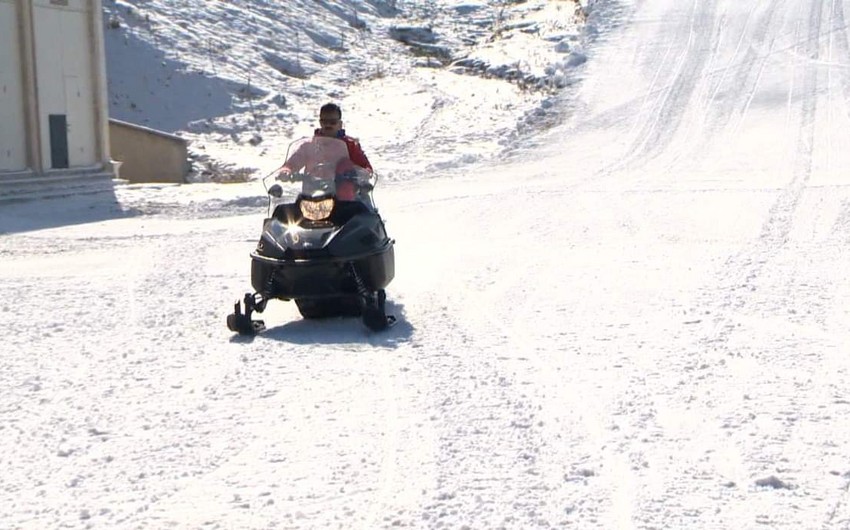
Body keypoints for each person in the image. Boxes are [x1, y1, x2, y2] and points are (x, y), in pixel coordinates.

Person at [278, 102, 373, 180]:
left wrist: (364, 173)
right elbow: (292, 163)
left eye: (332, 122)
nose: (328, 125)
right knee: (288, 204)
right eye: (324, 121)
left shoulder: (350, 145)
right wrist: (286, 171)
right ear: (320, 122)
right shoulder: (309, 146)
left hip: (346, 197)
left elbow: (365, 166)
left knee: (363, 203)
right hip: (312, 194)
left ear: (340, 124)